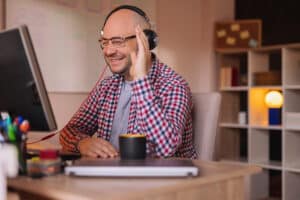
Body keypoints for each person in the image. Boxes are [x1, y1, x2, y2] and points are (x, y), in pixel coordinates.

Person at [59, 5, 196, 159]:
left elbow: (165, 148)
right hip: (111, 178)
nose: (108, 51)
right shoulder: (107, 87)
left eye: (117, 41)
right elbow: (70, 130)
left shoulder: (174, 86)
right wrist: (82, 143)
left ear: (145, 41)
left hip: (159, 181)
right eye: (105, 42)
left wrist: (140, 80)